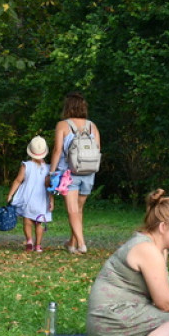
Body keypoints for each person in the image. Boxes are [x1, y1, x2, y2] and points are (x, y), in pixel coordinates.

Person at [86, 189, 169, 336]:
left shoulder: (155, 246)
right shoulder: (147, 249)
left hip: (117, 318)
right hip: (111, 321)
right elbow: (164, 303)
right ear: (163, 227)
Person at [48, 91, 100, 254]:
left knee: (72, 210)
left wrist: (51, 172)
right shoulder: (92, 126)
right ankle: (72, 243)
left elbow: (57, 150)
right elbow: (97, 149)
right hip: (88, 171)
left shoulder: (63, 125)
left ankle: (82, 244)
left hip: (68, 173)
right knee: (78, 210)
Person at [5, 135, 54, 252]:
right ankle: (38, 245)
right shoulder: (49, 168)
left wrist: (10, 194)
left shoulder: (26, 165)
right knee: (40, 223)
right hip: (42, 200)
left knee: (27, 221)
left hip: (28, 198)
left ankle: (29, 241)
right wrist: (51, 200)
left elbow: (18, 180)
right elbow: (50, 187)